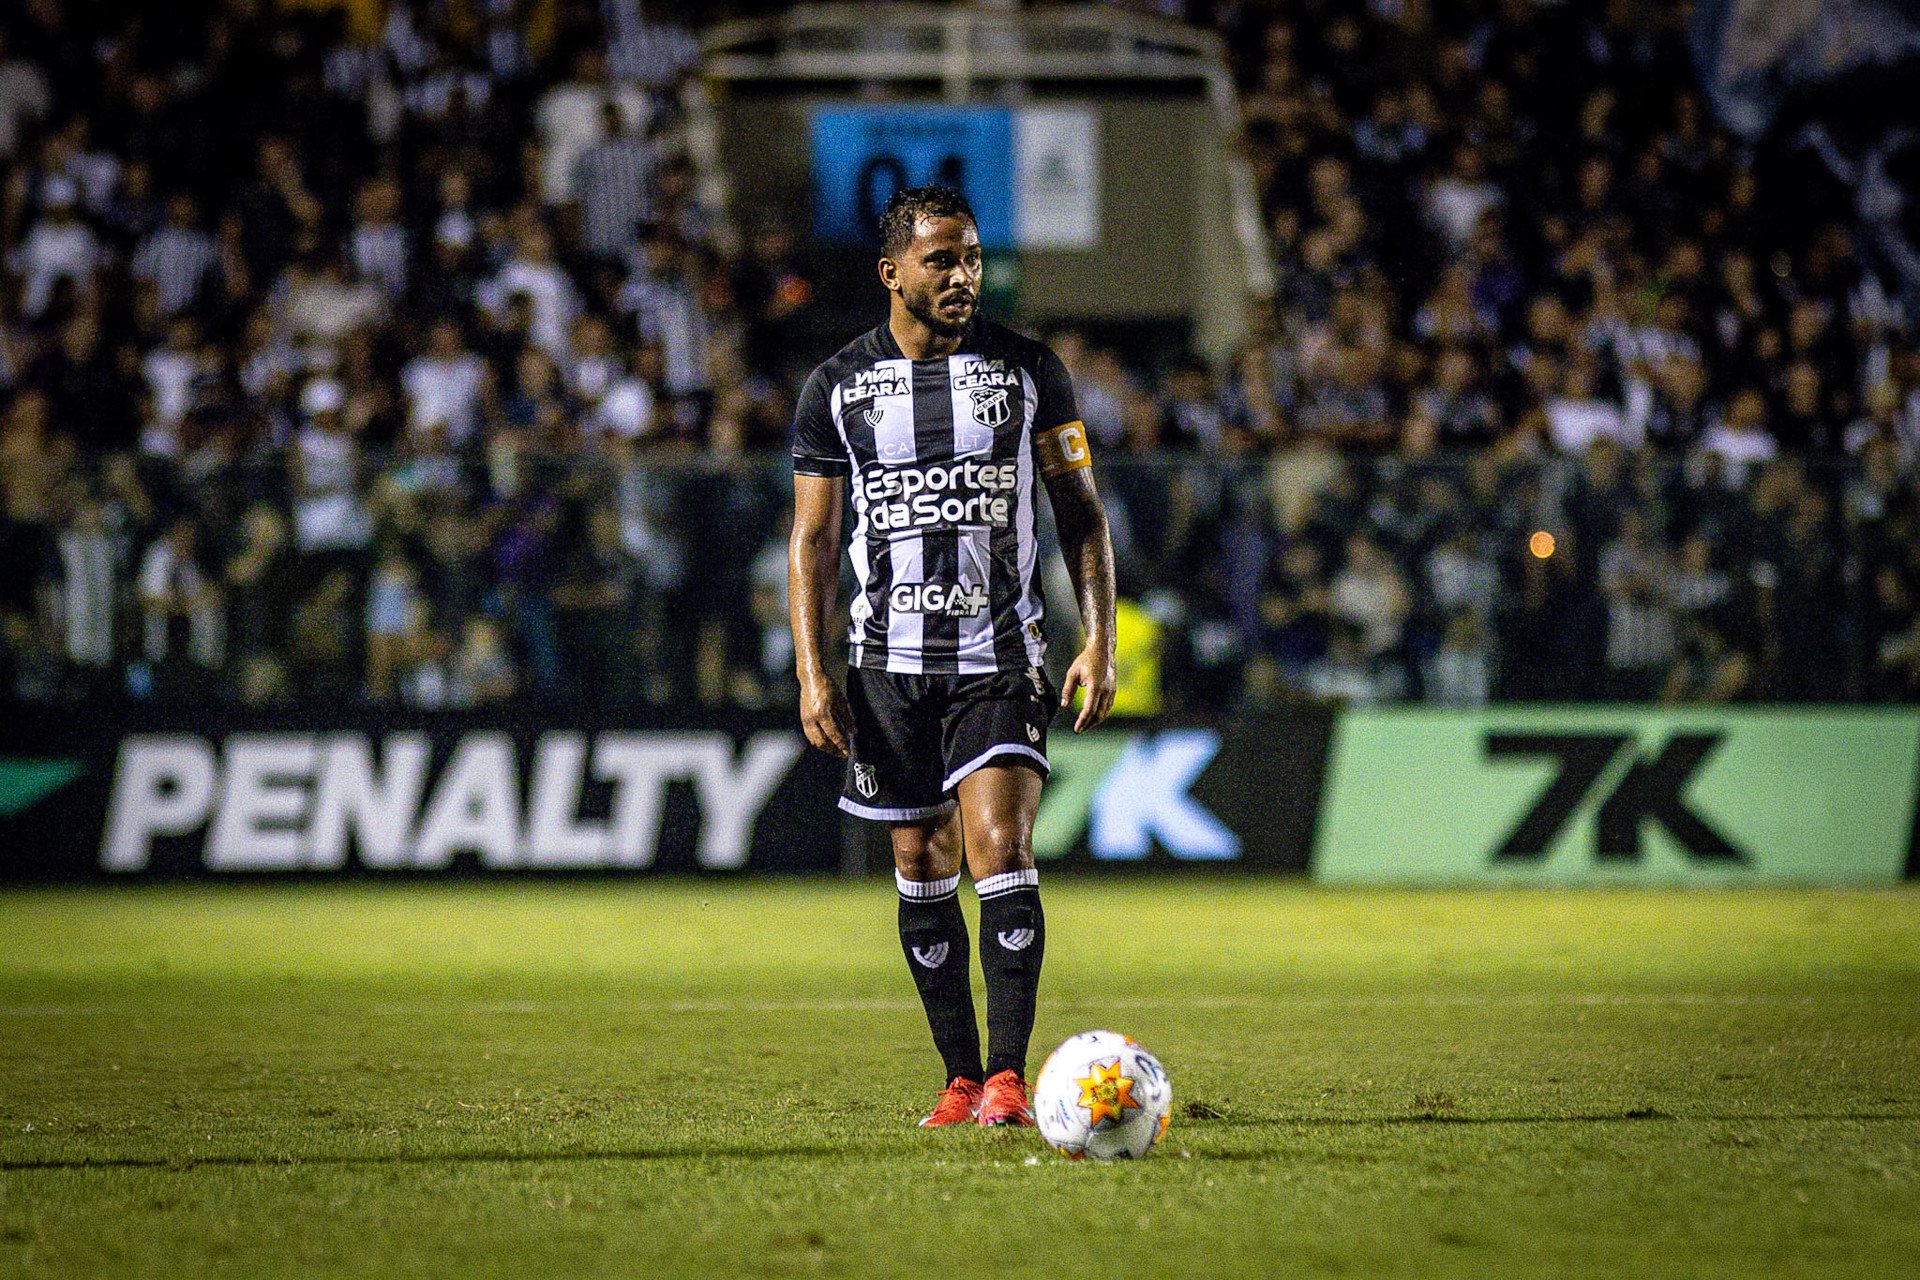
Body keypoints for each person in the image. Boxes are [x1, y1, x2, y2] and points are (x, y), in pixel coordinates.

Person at [787, 185, 1117, 1129]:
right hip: (885, 666)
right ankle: (960, 1078)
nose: (964, 276)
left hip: (1001, 657)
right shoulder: (837, 389)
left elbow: (1080, 514)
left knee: (999, 846)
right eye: (943, 261)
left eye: (972, 258)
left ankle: (1009, 1081)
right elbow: (812, 542)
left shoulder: (1027, 372)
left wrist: (1101, 635)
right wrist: (813, 671)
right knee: (920, 855)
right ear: (893, 273)